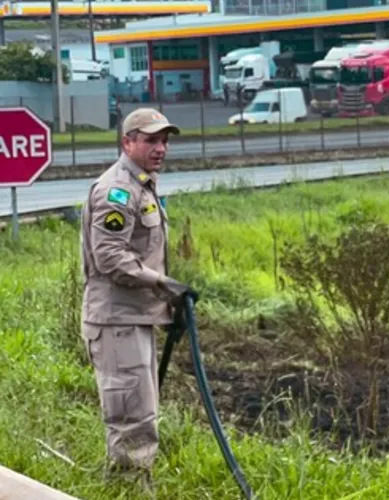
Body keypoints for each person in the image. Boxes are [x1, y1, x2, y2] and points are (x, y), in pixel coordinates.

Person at [80, 108, 198, 492]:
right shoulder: (118, 190)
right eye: (150, 140)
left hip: (135, 318)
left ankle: (130, 487)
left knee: (141, 412)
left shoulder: (143, 185)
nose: (160, 148)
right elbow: (110, 257)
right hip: (117, 322)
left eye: (164, 140)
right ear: (127, 142)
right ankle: (128, 491)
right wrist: (164, 284)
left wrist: (166, 298)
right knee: (131, 418)